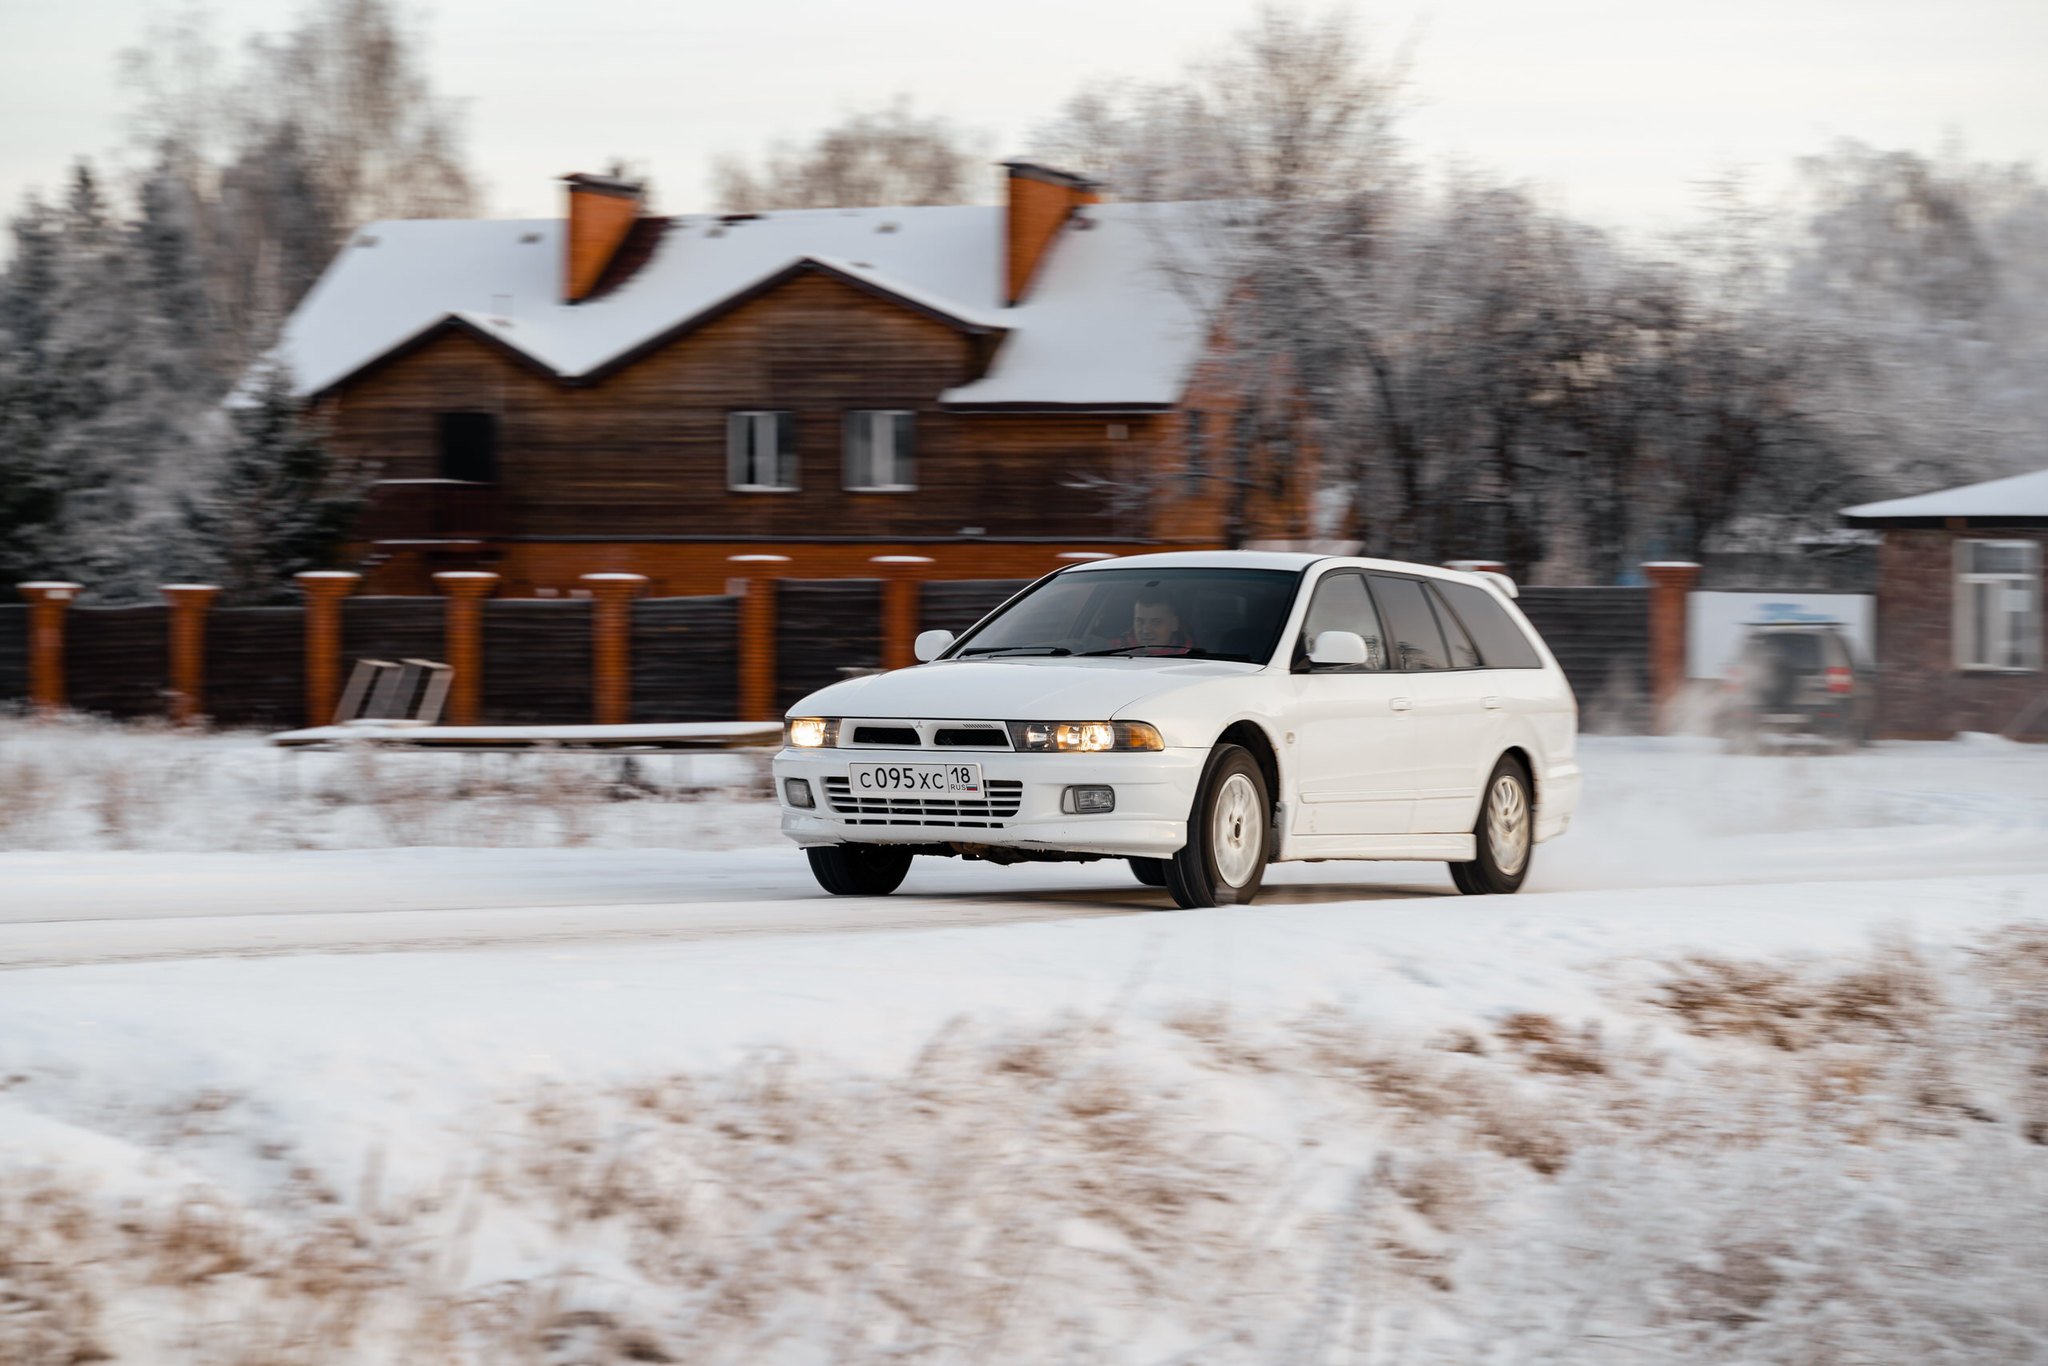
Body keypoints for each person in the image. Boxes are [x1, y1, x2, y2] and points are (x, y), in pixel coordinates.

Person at [1111, 590, 1197, 650]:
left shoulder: (1196, 659)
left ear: (1174, 624)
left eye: (1156, 622)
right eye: (1140, 621)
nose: (1146, 631)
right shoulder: (1108, 649)